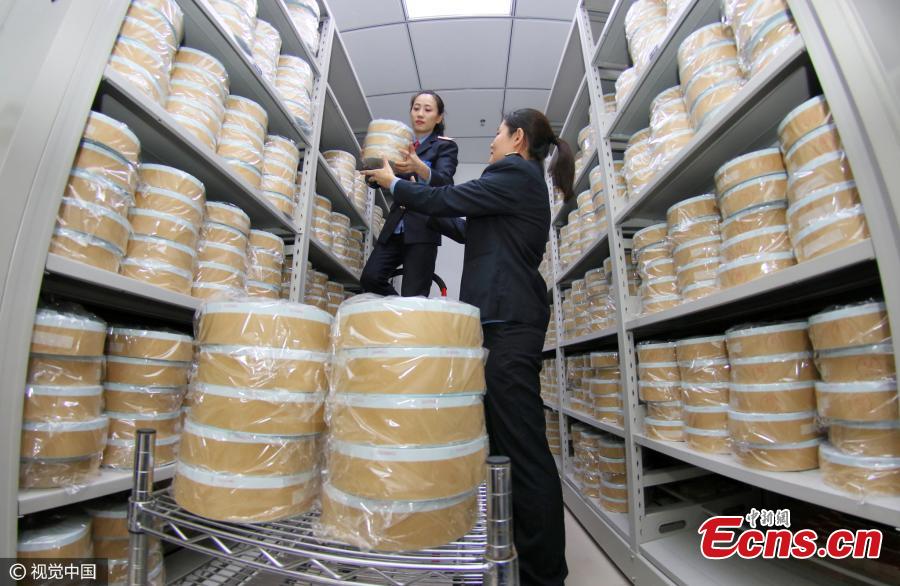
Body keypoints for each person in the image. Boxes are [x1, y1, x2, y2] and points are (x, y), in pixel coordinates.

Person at [365, 108, 574, 586]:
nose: (492, 143)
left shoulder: (514, 172)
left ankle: (544, 574)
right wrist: (421, 191)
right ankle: (516, 553)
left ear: (517, 138)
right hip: (503, 322)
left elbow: (451, 199)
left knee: (523, 449)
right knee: (504, 445)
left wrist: (396, 185)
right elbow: (464, 224)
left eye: (497, 134)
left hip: (510, 322)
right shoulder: (517, 183)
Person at [360, 90, 459, 297]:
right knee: (370, 278)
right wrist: (371, 165)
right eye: (416, 108)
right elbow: (378, 182)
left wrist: (420, 168)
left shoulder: (445, 146)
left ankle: (408, 311)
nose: (420, 114)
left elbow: (445, 183)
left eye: (427, 109)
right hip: (395, 227)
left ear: (439, 117)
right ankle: (398, 308)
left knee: (414, 294)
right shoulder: (400, 144)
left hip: (424, 228)